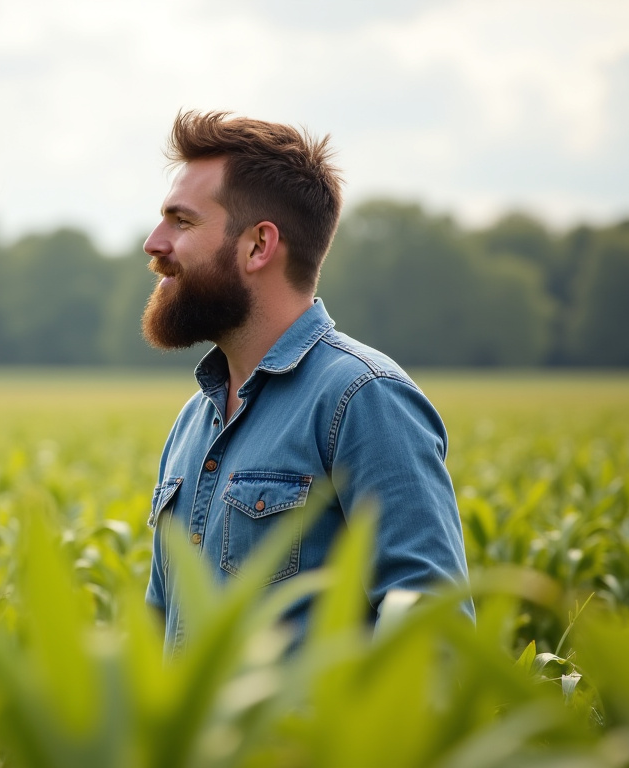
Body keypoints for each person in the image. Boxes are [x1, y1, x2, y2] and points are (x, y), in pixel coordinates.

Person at [142, 112, 470, 652]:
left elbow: (432, 628)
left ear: (258, 246)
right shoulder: (194, 420)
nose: (155, 243)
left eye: (181, 221)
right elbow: (158, 633)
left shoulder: (363, 398)